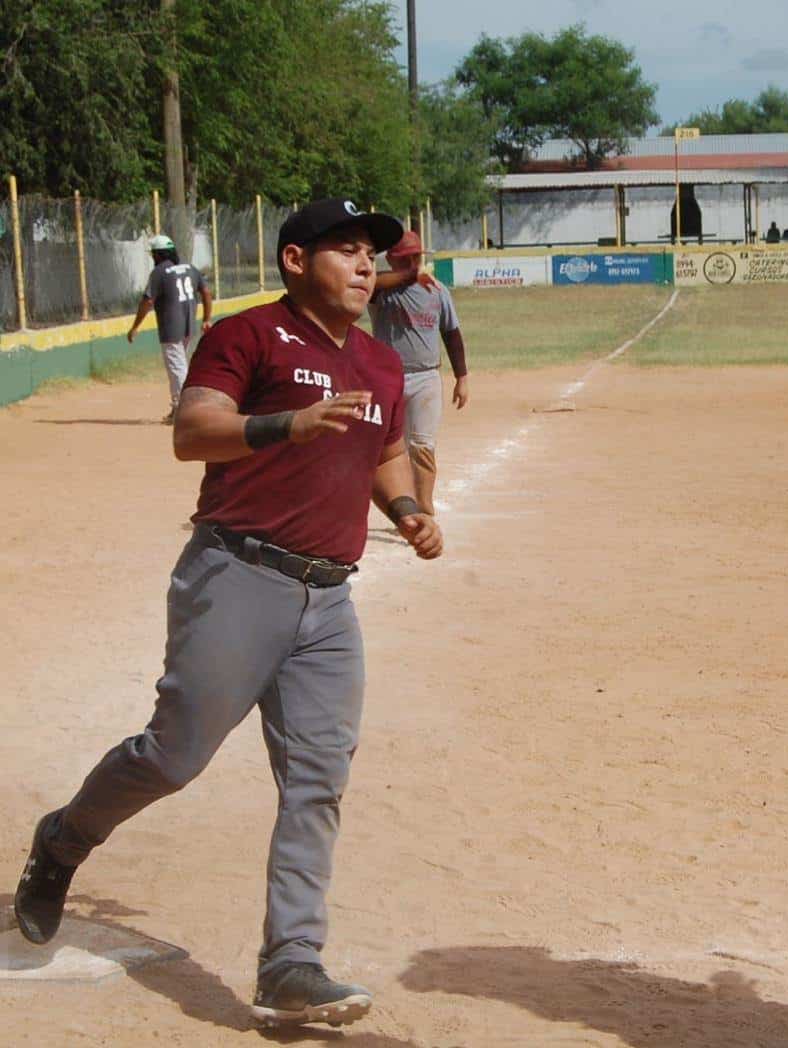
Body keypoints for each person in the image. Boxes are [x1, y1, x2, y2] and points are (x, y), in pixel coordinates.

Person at [14, 198, 443, 1030]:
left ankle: (291, 963)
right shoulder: (248, 336)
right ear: (293, 261)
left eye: (371, 255)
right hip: (237, 575)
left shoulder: (380, 362)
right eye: (346, 251)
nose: (365, 266)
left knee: (318, 779)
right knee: (174, 758)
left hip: (330, 598)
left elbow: (385, 450)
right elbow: (194, 430)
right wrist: (289, 422)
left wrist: (406, 511)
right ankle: (64, 839)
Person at [368, 229, 468, 517]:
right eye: (406, 259)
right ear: (391, 259)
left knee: (422, 445)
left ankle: (423, 506)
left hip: (426, 378)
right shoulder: (383, 292)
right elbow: (370, 283)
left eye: (416, 258)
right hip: (388, 378)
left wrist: (462, 378)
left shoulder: (437, 291)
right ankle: (398, 504)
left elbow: (452, 334)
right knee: (388, 447)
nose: (413, 263)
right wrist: (408, 277)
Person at [127, 234, 213, 423]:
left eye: (153, 255)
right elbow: (206, 291)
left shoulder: (159, 272)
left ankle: (183, 409)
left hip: (170, 328)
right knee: (181, 365)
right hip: (188, 326)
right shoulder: (189, 267)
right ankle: (182, 408)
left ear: (158, 255)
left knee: (177, 368)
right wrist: (207, 318)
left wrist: (135, 326)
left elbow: (147, 300)